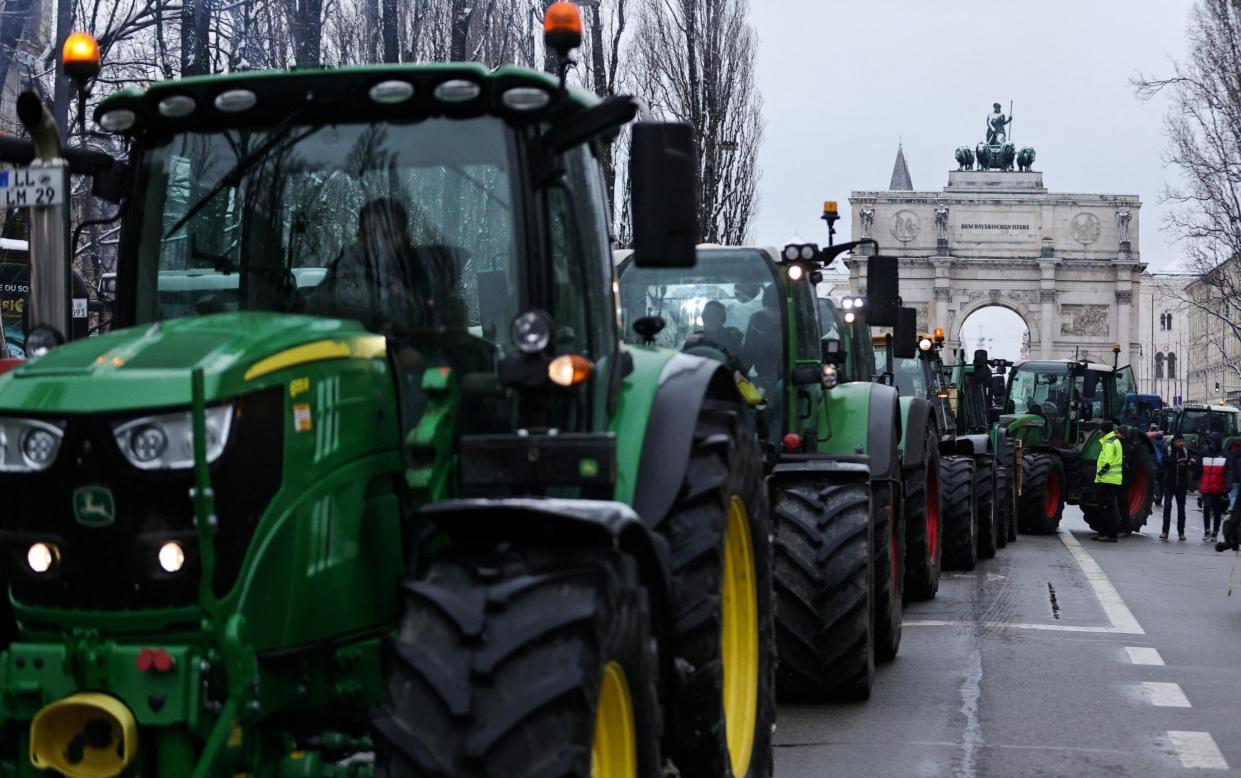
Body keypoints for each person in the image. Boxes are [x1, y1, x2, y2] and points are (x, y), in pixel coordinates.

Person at [1091, 421, 1125, 542]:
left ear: (1104, 430)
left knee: (1107, 508)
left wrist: (1100, 473)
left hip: (1108, 480)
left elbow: (1107, 462)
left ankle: (1110, 534)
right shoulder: (1112, 441)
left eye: (1100, 429)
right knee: (1105, 508)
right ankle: (1103, 532)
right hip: (1110, 480)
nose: (1099, 431)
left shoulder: (1109, 442)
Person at [1160, 435, 1193, 541]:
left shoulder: (1185, 451)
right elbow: (1165, 461)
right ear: (1174, 442)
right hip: (1169, 484)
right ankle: (1165, 532)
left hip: (1182, 485)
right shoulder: (1168, 450)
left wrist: (1189, 463)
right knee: (1167, 507)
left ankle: (1181, 532)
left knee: (1181, 510)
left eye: (1182, 441)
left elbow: (1190, 464)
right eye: (1179, 441)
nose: (1181, 443)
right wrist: (1177, 461)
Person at [1198, 433, 1228, 542]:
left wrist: (1227, 485)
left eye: (1212, 443)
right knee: (1206, 507)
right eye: (1209, 443)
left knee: (1217, 511)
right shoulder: (1204, 453)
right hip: (1206, 487)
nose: (1211, 445)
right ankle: (1207, 530)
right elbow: (1198, 466)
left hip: (1218, 487)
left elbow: (1228, 470)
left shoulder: (1224, 454)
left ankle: (1215, 531)